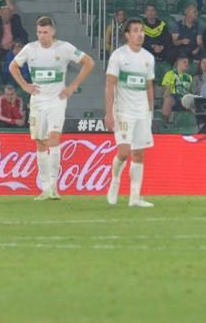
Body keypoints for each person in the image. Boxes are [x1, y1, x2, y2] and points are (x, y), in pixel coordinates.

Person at [9, 16, 95, 201]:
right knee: (40, 142)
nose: (42, 36)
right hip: (38, 101)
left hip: (57, 100)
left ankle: (55, 188)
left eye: (45, 32)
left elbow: (89, 62)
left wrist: (72, 86)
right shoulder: (30, 49)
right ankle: (45, 188)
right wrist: (25, 86)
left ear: (53, 32)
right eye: (39, 32)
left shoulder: (64, 48)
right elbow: (13, 66)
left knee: (54, 139)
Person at [105, 19, 157, 207]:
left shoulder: (148, 58)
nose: (140, 34)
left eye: (142, 30)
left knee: (139, 154)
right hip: (123, 111)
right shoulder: (118, 56)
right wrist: (109, 113)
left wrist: (150, 112)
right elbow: (110, 85)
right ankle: (115, 181)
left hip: (142, 111)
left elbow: (149, 86)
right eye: (136, 30)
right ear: (127, 34)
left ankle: (135, 197)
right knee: (124, 152)